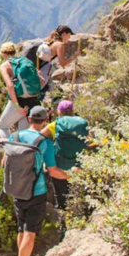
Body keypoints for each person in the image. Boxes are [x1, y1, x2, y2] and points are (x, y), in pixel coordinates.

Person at [6, 106, 68, 256]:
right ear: (46, 121)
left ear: (30, 119)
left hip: (17, 189)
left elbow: (5, 161)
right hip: (36, 190)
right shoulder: (44, 142)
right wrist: (71, 176)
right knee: (30, 231)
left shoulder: (15, 136)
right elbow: (53, 171)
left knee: (21, 228)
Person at [41, 100, 89, 241]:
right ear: (73, 111)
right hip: (78, 167)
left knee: (61, 198)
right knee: (79, 196)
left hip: (59, 167)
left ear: (59, 112)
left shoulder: (56, 124)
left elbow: (40, 137)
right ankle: (80, 224)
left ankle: (63, 230)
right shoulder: (82, 124)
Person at [0, 42, 41, 139]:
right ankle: (21, 152)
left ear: (3, 53)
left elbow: (10, 85)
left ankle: (9, 149)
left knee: (3, 127)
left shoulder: (5, 66)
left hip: (19, 101)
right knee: (23, 133)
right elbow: (41, 80)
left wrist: (17, 106)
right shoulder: (25, 61)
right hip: (32, 101)